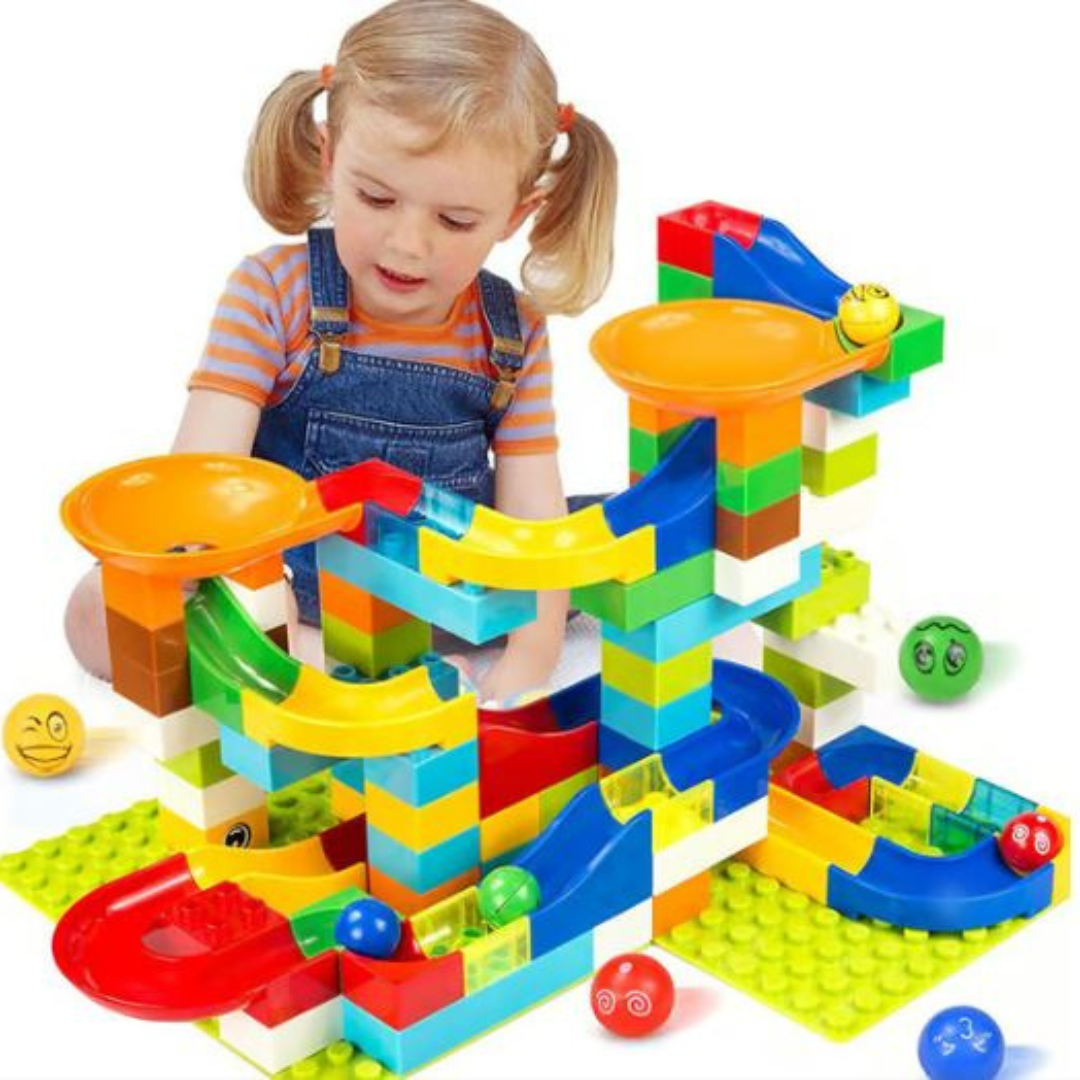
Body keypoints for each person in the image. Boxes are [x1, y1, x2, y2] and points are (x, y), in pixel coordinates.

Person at [64, 0, 617, 703]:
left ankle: (378, 670)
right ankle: (318, 666)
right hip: (287, 600)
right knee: (97, 609)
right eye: (376, 198)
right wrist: (195, 588)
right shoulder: (273, 291)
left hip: (446, 604)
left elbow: (533, 519)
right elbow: (201, 485)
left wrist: (528, 664)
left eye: (455, 220)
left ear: (515, 214)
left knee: (617, 534)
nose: (408, 245)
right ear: (329, 158)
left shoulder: (513, 332)